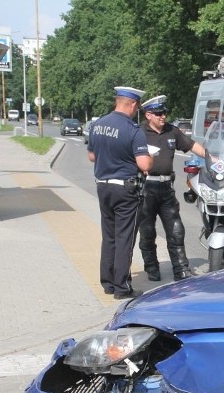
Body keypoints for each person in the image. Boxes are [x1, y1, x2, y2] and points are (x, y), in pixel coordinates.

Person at [88, 86, 153, 299]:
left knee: (109, 237)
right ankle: (122, 287)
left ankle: (107, 283)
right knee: (124, 237)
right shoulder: (133, 130)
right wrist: (150, 158)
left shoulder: (98, 124)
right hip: (125, 190)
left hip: (102, 186)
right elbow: (144, 164)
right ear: (132, 104)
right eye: (137, 107)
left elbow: (91, 156)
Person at [137, 95, 204, 281]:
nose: (163, 116)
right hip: (146, 188)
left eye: (164, 113)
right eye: (158, 113)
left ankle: (181, 269)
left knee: (176, 230)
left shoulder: (172, 131)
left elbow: (192, 146)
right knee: (147, 232)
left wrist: (212, 158)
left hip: (166, 188)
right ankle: (151, 268)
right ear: (148, 115)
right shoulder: (139, 133)